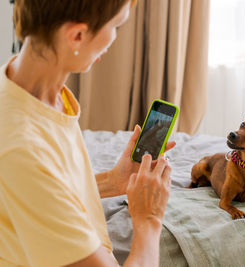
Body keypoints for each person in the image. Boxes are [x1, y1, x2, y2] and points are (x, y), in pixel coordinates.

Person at [0, 0, 175, 266]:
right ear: (77, 35)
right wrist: (149, 220)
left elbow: (46, 190)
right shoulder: (21, 147)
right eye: (116, 25)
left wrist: (112, 181)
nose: (114, 38)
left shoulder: (23, 89)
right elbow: (32, 169)